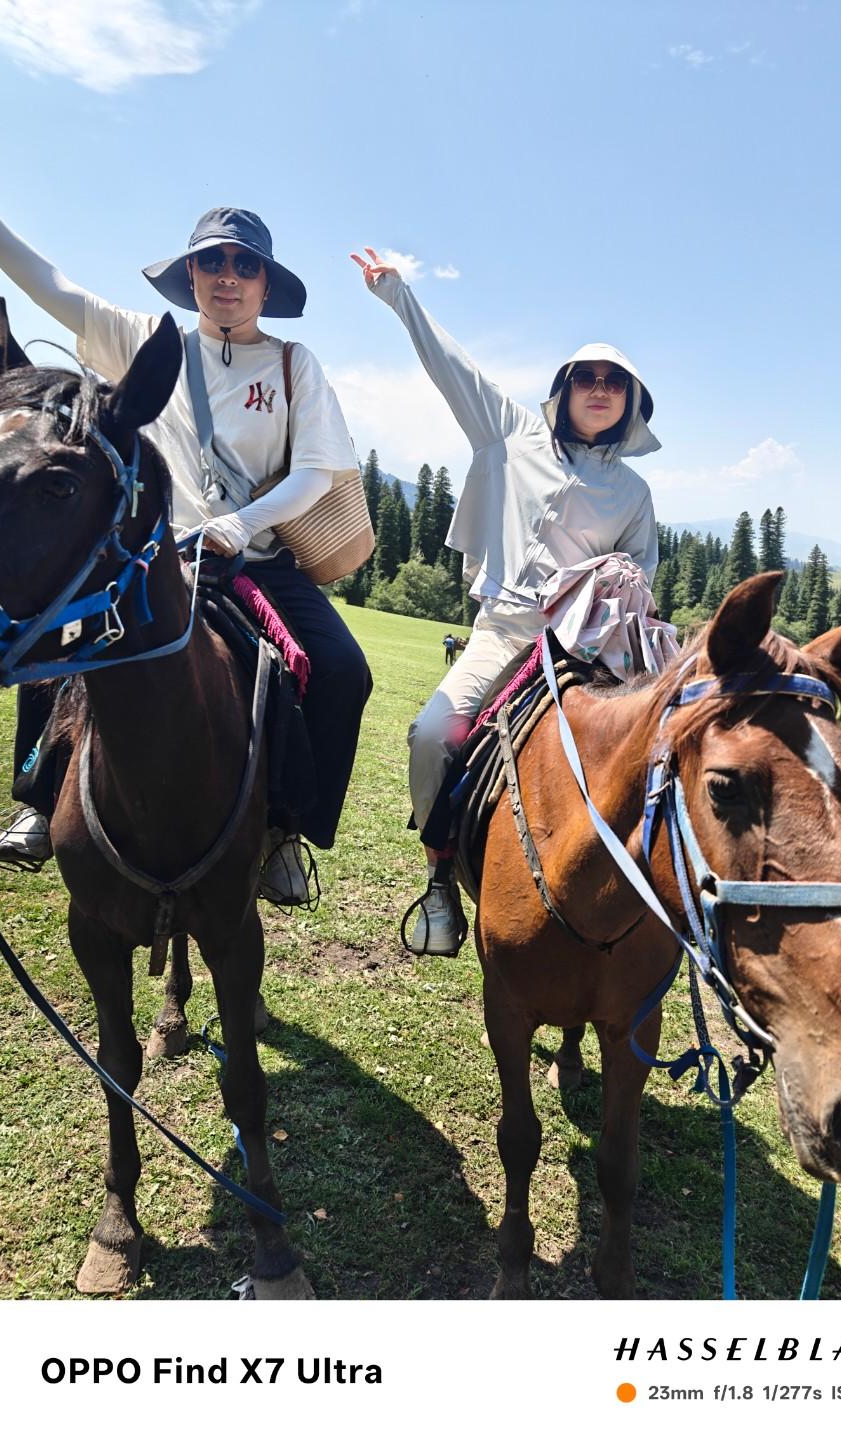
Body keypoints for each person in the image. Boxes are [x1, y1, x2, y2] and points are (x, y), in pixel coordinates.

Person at [0, 191, 372, 903]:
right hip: (152, 557)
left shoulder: (292, 364)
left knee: (345, 672)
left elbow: (316, 470)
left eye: (243, 264)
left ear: (263, 282)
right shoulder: (139, 336)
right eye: (211, 262)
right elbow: (49, 282)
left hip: (252, 560)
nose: (227, 276)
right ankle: (38, 802)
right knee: (58, 637)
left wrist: (240, 524)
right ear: (189, 276)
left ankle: (287, 829)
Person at [352, 247, 662, 956]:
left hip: (587, 650)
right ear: (565, 389)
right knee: (433, 735)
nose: (599, 388)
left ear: (629, 401)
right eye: (585, 377)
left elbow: (641, 580)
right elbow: (451, 365)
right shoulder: (510, 433)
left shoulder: (635, 495)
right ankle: (437, 879)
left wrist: (615, 592)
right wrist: (398, 296)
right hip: (502, 632)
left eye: (614, 382)